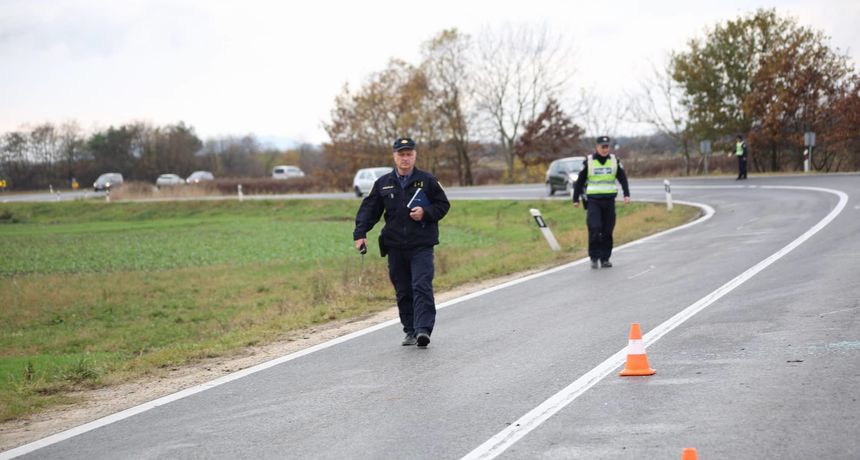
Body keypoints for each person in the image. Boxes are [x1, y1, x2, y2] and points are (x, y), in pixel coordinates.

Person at [353, 137, 451, 348]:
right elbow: (369, 210)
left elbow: (443, 205)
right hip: (395, 246)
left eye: (409, 154)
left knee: (421, 286)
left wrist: (426, 212)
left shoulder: (427, 181)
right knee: (403, 290)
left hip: (421, 245)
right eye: (401, 154)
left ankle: (423, 330)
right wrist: (360, 233)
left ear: (415, 155)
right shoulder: (383, 183)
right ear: (394, 156)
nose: (405, 158)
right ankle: (410, 330)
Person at [571, 136, 631, 269]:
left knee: (607, 230)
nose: (605, 149)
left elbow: (623, 178)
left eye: (606, 147)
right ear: (597, 147)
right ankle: (594, 257)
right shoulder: (589, 161)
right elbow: (580, 181)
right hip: (593, 201)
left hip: (609, 200)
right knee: (594, 228)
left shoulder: (615, 161)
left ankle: (605, 258)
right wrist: (575, 199)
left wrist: (626, 194)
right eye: (602, 147)